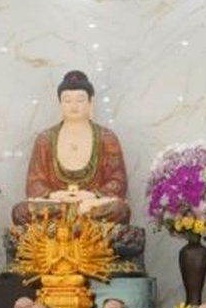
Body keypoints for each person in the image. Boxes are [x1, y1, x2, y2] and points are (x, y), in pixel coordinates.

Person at [12, 70, 132, 226]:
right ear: (60, 104)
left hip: (91, 206)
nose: (73, 106)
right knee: (20, 211)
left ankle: (73, 222)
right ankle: (73, 221)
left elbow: (118, 181)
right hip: (56, 205)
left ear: (90, 103)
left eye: (80, 100)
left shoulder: (107, 138)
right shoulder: (45, 139)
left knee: (119, 210)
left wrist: (92, 196)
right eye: (67, 100)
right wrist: (55, 195)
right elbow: (34, 184)